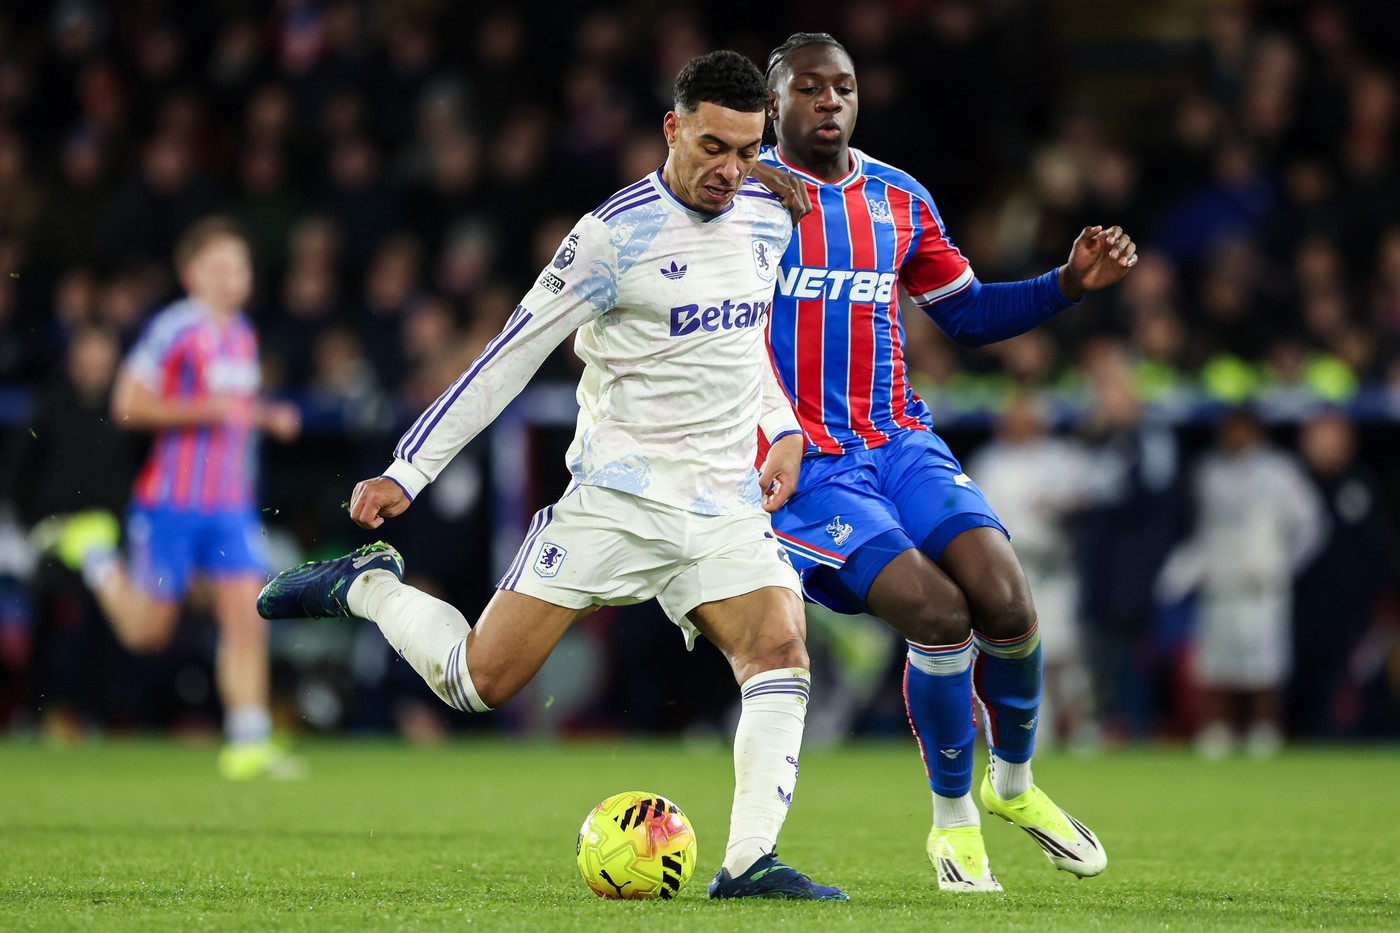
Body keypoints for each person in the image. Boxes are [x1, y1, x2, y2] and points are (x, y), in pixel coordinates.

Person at [257, 50, 846, 902]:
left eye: (749, 151)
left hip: (721, 498)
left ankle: (749, 860)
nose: (731, 170)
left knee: (780, 650)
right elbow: (506, 359)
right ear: (673, 129)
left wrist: (782, 427)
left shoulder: (769, 214)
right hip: (616, 498)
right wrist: (406, 471)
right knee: (476, 681)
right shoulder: (611, 238)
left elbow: (741, 335)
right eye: (714, 147)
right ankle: (369, 590)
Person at [751, 32, 1136, 892]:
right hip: (805, 465)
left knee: (1005, 595)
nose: (829, 102)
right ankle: (953, 824)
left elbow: (963, 314)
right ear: (773, 105)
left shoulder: (897, 198)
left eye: (842, 87)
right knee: (936, 613)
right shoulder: (739, 201)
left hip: (900, 439)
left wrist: (1064, 285)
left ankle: (1016, 786)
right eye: (808, 88)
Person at [32, 216, 303, 778]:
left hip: (230, 506)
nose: (232, 277)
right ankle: (95, 554)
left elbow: (231, 414)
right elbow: (127, 404)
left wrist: (264, 416)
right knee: (147, 633)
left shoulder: (243, 334)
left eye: (240, 266)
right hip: (170, 506)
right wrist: (211, 409)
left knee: (246, 615)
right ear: (191, 274)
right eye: (220, 267)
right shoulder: (174, 329)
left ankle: (248, 742)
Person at [1156, 406, 1325, 758]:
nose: (1234, 437)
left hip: (1261, 585)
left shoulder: (1280, 471)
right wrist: (1186, 571)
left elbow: (1312, 524)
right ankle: (1218, 728)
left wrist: (1283, 567)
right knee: (1216, 662)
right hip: (1220, 582)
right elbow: (1204, 529)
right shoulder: (1209, 472)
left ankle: (1264, 728)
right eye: (1228, 430)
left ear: (1256, 432)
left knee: (1264, 662)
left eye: (1241, 430)